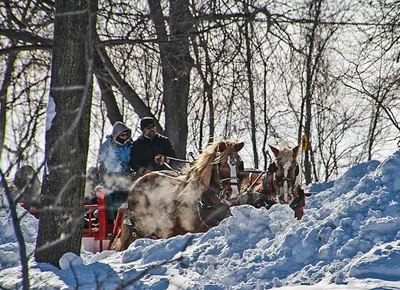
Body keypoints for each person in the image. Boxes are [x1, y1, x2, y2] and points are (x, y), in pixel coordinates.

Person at [97, 121, 134, 221]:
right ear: (117, 134)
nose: (125, 137)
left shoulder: (129, 145)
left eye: (126, 135)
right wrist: (122, 168)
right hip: (109, 174)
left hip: (126, 174)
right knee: (121, 186)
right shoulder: (108, 146)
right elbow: (109, 164)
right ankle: (119, 215)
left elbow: (134, 158)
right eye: (122, 135)